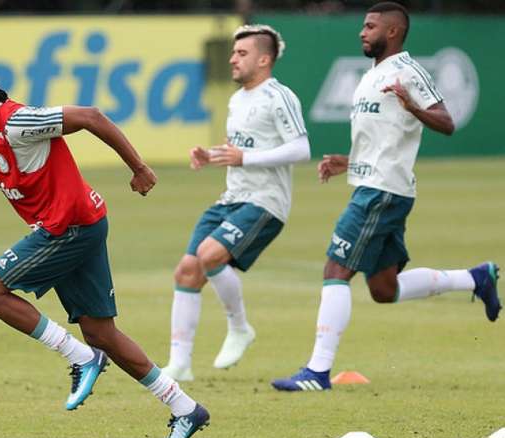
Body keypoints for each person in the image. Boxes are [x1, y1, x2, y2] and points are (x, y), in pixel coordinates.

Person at [0, 55, 209, 438]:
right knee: (101, 333)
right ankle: (185, 407)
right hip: (80, 225)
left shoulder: (17, 121)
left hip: (68, 227)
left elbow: (92, 116)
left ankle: (79, 356)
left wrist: (139, 167)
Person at [272, 2, 500, 392]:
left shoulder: (407, 72)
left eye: (370, 26)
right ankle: (476, 278)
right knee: (383, 290)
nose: (362, 31)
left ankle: (317, 372)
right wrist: (348, 161)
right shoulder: (371, 76)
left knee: (335, 269)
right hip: (373, 183)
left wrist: (411, 105)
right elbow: (382, 139)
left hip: (382, 191)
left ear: (392, 32)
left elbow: (446, 122)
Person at [161, 24, 311, 382]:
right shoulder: (237, 99)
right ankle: (179, 365)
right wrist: (209, 155)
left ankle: (240, 327)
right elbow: (238, 149)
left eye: (241, 54)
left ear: (264, 59)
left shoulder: (279, 96)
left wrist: (245, 159)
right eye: (233, 52)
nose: (232, 59)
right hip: (231, 198)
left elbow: (301, 149)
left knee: (210, 255)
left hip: (265, 202)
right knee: (186, 270)